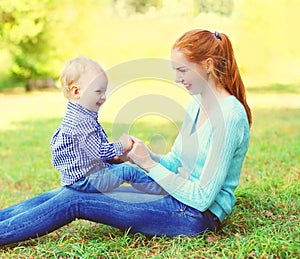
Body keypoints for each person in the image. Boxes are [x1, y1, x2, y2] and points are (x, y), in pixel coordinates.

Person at [0, 29, 251, 246]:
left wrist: (149, 164)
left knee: (75, 199)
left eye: (182, 70)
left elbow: (202, 198)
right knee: (68, 191)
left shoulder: (229, 116)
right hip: (173, 194)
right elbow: (176, 162)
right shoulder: (198, 104)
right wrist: (141, 155)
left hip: (193, 215)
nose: (177, 78)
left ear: (207, 65)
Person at [49, 56, 164, 194]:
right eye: (98, 91)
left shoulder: (79, 117)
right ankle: (163, 191)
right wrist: (121, 145)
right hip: (85, 181)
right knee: (128, 171)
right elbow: (97, 151)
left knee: (123, 169)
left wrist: (113, 158)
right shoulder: (81, 121)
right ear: (77, 91)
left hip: (81, 178)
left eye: (104, 91)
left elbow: (87, 153)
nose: (104, 97)